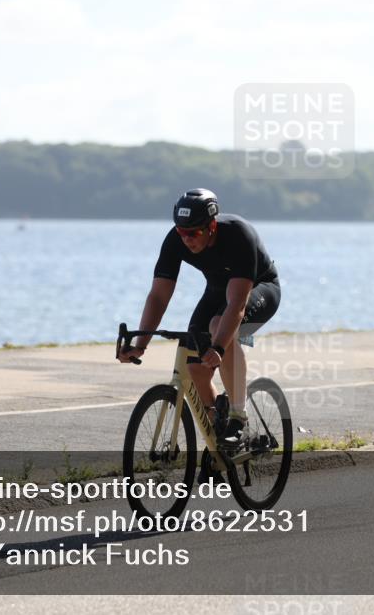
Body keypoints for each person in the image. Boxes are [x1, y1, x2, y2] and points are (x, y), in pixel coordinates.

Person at [118, 188, 280, 447]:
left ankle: (239, 418)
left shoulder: (238, 235)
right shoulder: (176, 240)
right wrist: (141, 345)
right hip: (217, 290)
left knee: (219, 327)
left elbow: (237, 304)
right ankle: (219, 435)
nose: (186, 239)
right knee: (195, 367)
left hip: (260, 289)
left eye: (193, 233)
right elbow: (158, 296)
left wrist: (218, 347)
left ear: (211, 226)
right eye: (182, 232)